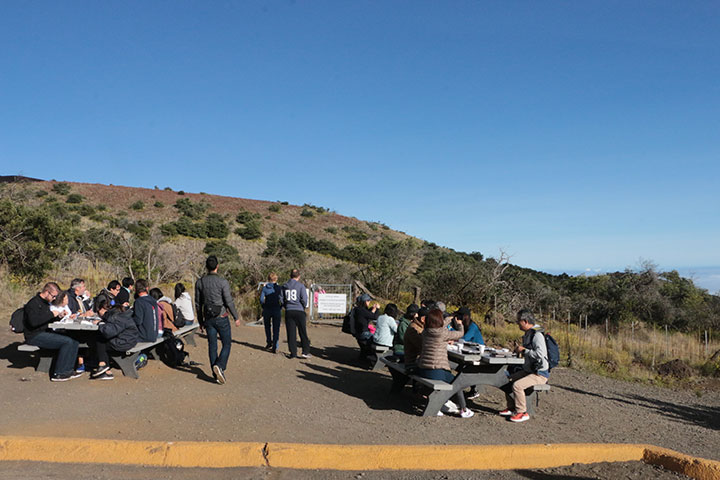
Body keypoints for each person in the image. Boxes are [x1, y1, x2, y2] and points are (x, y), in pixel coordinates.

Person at [417, 309, 473, 418]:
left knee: (452, 378)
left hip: (422, 369)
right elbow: (460, 334)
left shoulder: (425, 332)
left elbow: (439, 328)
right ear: (439, 321)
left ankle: (448, 404)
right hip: (436, 371)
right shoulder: (443, 334)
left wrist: (449, 319)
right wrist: (459, 325)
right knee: (458, 382)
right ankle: (464, 409)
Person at [195, 255, 240, 384]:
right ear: (217, 266)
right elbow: (229, 301)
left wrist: (200, 320)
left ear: (206, 267)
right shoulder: (222, 282)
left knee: (212, 345)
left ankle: (216, 374)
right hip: (221, 317)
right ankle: (220, 366)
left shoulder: (200, 282)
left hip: (208, 318)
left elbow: (198, 303)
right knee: (227, 343)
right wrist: (236, 316)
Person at [499, 309, 550, 423]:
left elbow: (541, 354)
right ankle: (512, 407)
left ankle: (522, 412)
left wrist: (525, 350)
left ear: (525, 321)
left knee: (517, 385)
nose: (517, 323)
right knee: (508, 380)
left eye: (519, 321)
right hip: (529, 371)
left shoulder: (537, 335)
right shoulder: (529, 334)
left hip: (539, 374)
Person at [23, 282, 81, 382]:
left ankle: (68, 369)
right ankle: (59, 373)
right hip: (34, 335)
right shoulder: (33, 303)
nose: (54, 299)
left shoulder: (46, 303)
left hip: (45, 332)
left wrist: (59, 317)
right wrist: (51, 315)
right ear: (47, 292)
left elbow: (46, 320)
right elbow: (33, 322)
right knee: (67, 342)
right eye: (53, 296)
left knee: (74, 340)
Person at [88, 294, 140, 380]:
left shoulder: (115, 317)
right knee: (102, 339)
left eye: (99, 311)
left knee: (100, 339)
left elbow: (109, 332)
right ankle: (105, 368)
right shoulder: (121, 314)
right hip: (131, 339)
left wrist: (99, 323)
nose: (98, 313)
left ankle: (103, 364)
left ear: (103, 310)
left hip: (123, 342)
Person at [454, 307, 485, 400]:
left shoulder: (472, 327)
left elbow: (464, 338)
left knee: (467, 367)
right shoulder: (465, 325)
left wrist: (454, 339)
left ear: (465, 317)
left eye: (460, 316)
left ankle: (474, 389)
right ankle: (470, 388)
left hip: (477, 352)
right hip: (469, 350)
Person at [282, 269, 311, 359]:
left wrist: (286, 306)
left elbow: (281, 299)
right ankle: (305, 351)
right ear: (299, 276)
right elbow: (304, 300)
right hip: (299, 310)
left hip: (289, 311)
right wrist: (302, 306)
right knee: (302, 331)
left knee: (291, 333)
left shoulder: (285, 286)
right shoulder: (300, 286)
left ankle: (293, 352)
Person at [260, 273, 283, 353]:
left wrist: (264, 306)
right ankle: (275, 346)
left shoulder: (265, 288)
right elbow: (282, 299)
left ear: (268, 279)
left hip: (267, 309)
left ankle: (269, 342)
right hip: (276, 309)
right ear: (276, 279)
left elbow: (261, 300)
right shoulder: (279, 288)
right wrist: (280, 307)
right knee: (276, 328)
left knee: (267, 327)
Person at [353, 293, 380, 362]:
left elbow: (367, 315)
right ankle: (373, 358)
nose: (369, 302)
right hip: (363, 333)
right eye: (368, 301)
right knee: (378, 339)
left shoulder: (358, 309)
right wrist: (377, 309)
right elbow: (374, 317)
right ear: (364, 301)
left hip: (359, 332)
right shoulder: (361, 310)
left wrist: (373, 309)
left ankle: (364, 357)